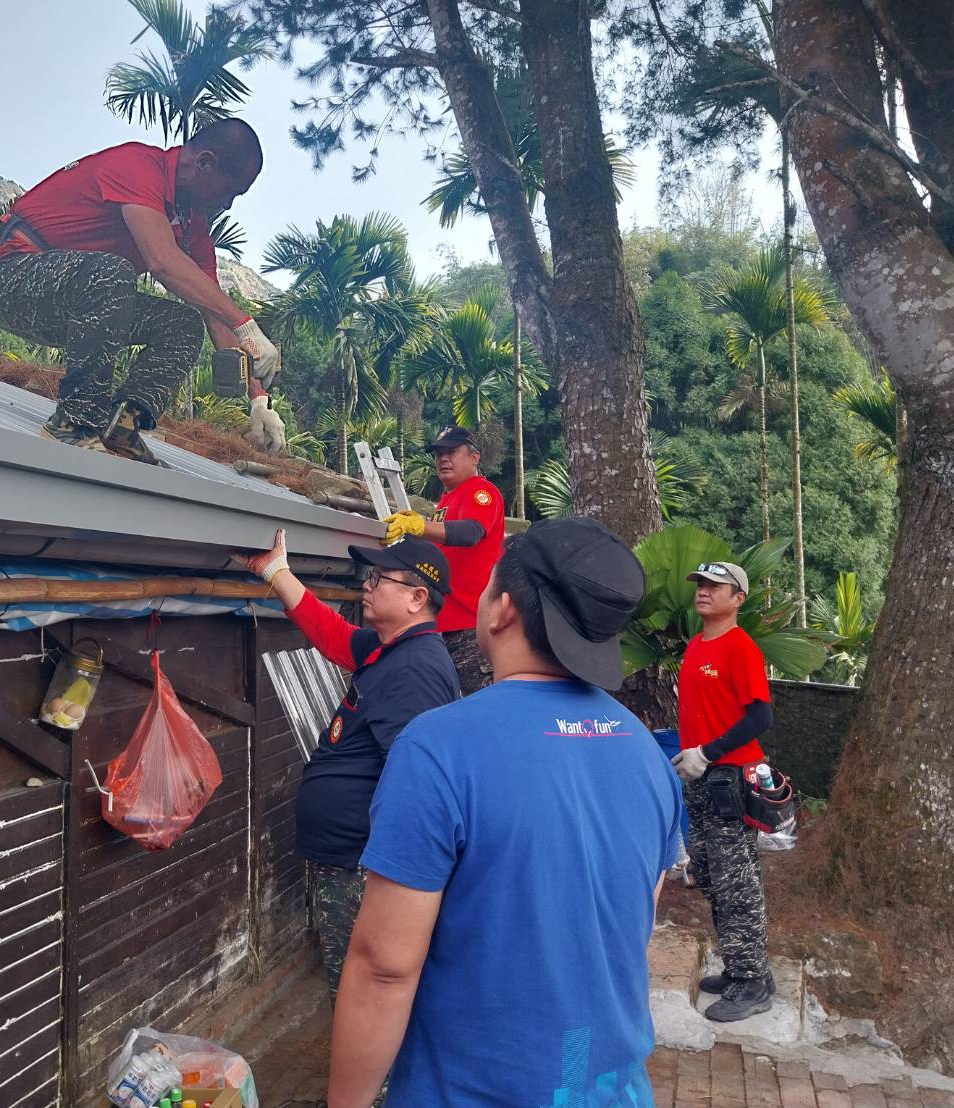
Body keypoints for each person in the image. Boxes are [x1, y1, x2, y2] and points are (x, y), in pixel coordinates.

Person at [326, 518, 683, 1105]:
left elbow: (384, 968)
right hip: (608, 1089)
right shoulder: (647, 754)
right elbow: (628, 925)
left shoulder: (439, 747)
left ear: (503, 610)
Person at [0, 118, 284, 462]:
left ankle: (122, 428)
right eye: (230, 191)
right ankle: (73, 423)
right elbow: (162, 260)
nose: (228, 205)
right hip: (7, 280)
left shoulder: (192, 224)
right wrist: (246, 323)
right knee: (112, 272)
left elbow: (214, 309)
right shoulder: (138, 166)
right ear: (205, 162)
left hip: (72, 306)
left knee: (183, 324)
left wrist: (259, 399)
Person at [233, 529, 460, 1007]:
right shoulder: (391, 649)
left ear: (417, 597)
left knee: (364, 998)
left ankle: (370, 1061)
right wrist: (276, 572)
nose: (366, 585)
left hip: (363, 870)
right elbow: (335, 637)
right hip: (350, 860)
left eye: (379, 578)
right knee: (357, 989)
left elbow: (418, 784)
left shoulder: (415, 669)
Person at [669, 561, 777, 1022]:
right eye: (701, 584)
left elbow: (761, 717)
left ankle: (752, 983)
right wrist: (692, 757)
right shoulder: (696, 646)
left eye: (716, 586)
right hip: (700, 778)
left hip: (730, 779)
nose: (704, 591)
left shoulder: (741, 648)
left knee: (737, 883)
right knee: (711, 875)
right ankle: (741, 967)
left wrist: (708, 752)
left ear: (738, 599)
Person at [381, 425, 505, 695]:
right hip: (446, 624)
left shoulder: (480, 491)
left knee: (477, 708)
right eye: (439, 454)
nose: (443, 459)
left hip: (470, 626)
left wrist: (421, 527)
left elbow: (471, 532)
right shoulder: (448, 499)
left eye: (452, 452)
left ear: (474, 457)